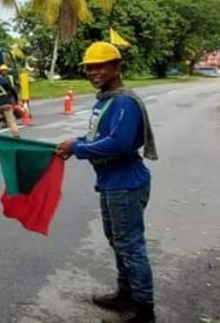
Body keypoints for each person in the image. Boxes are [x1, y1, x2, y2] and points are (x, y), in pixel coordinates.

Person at [55, 42, 158, 322]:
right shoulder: (107, 99)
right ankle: (126, 294)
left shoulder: (124, 101)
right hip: (112, 182)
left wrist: (77, 149)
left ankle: (143, 308)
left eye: (100, 66)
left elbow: (120, 143)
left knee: (130, 245)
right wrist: (76, 143)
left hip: (125, 183)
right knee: (119, 241)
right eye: (89, 67)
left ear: (116, 66)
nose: (93, 72)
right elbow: (98, 137)